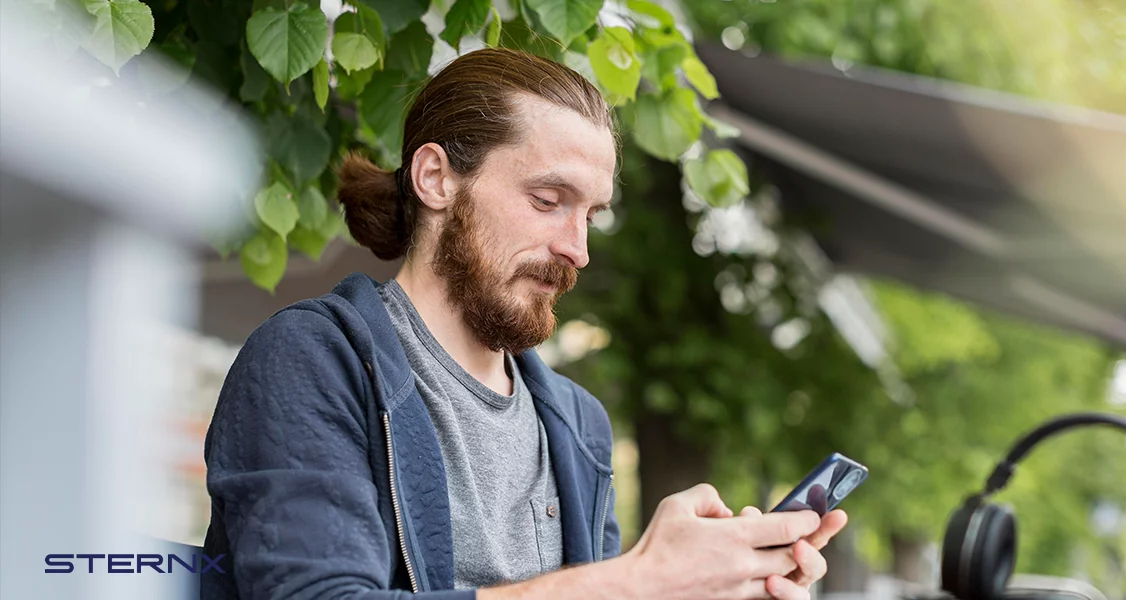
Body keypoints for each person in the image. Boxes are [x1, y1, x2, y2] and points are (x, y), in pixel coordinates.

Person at [201, 47, 847, 600]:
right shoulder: (312, 360)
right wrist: (636, 579)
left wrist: (693, 585)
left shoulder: (577, 422)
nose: (578, 249)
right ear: (436, 178)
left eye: (591, 215)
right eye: (548, 200)